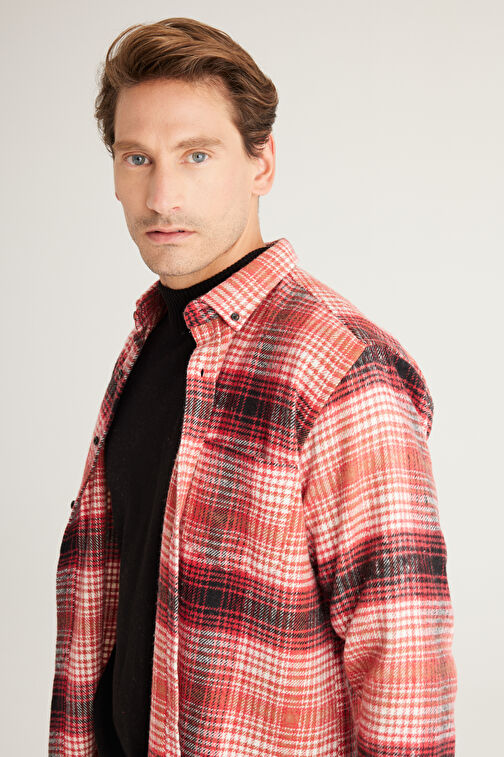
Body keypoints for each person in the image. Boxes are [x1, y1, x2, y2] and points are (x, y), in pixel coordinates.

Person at [48, 16, 457, 757]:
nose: (162, 195)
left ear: (260, 162)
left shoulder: (341, 367)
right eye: (137, 158)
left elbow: (404, 672)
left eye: (196, 155)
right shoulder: (153, 338)